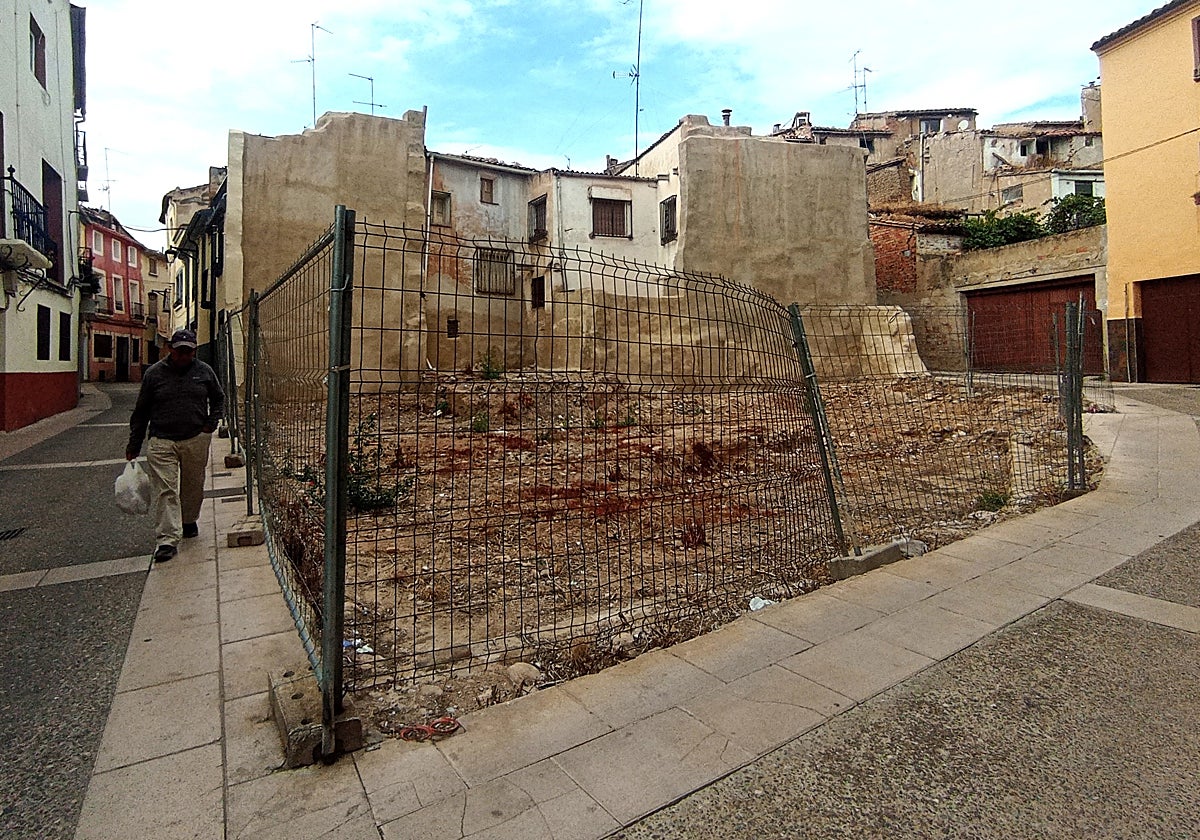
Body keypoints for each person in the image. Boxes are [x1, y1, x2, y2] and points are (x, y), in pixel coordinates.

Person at [126, 328, 225, 562]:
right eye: (180, 351)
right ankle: (167, 540)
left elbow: (218, 398)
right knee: (166, 490)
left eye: (188, 352)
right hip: (162, 440)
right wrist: (134, 443)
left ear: (194, 351)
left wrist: (210, 424)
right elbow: (141, 411)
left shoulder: (204, 371)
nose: (184, 356)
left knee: (193, 485)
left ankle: (188, 520)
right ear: (170, 349)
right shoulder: (154, 374)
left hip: (195, 438)